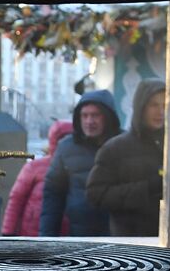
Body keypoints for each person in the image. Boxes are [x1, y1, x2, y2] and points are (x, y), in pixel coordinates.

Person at [87, 79, 167, 236]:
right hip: (131, 241)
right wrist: (147, 188)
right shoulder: (115, 148)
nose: (161, 112)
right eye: (154, 105)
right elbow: (96, 195)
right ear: (141, 107)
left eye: (165, 105)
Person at [39, 89, 120, 237]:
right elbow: (53, 195)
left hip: (120, 236)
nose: (89, 121)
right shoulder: (66, 147)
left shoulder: (123, 145)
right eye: (85, 115)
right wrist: (46, 239)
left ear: (107, 117)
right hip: (80, 234)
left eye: (95, 115)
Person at [1, 120, 72, 237]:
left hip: (69, 237)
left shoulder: (80, 167)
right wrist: (8, 232)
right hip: (32, 235)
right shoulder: (34, 167)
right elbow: (16, 199)